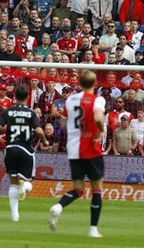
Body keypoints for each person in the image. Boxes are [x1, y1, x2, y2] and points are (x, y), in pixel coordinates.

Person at [49, 70, 106, 238]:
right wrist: (100, 131)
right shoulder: (98, 100)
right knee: (97, 190)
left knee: (78, 189)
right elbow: (97, 116)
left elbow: (64, 124)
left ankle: (58, 207)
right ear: (94, 84)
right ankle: (93, 229)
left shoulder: (70, 100)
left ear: (79, 83)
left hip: (73, 150)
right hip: (91, 149)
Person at [0, 84, 49, 222]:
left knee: (13, 183)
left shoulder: (8, 112)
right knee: (28, 182)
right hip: (26, 150)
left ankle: (15, 215)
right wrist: (44, 141)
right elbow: (40, 131)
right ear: (27, 97)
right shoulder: (31, 113)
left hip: (10, 148)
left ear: (15, 96)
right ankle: (24, 186)